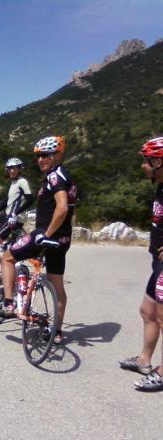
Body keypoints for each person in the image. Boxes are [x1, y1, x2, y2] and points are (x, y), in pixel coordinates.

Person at [0, 136, 76, 345]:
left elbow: (62, 207)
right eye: (38, 156)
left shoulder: (55, 177)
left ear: (57, 155)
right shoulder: (66, 176)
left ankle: (8, 304)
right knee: (56, 284)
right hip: (63, 238)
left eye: (45, 155)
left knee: (6, 258)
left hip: (46, 234)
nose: (40, 159)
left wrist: (46, 233)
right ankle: (57, 332)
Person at [119, 136, 163, 392]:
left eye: (145, 161)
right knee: (148, 311)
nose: (142, 166)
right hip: (157, 262)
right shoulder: (160, 185)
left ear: (157, 161)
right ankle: (144, 361)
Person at [0, 157, 34, 252]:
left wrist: (15, 214)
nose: (12, 171)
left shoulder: (22, 182)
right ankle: (8, 241)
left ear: (19, 169)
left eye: (14, 168)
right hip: (9, 215)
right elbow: (7, 201)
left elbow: (30, 200)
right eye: (9, 168)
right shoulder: (14, 183)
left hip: (14, 218)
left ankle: (2, 241)